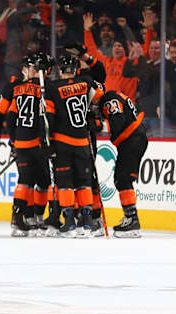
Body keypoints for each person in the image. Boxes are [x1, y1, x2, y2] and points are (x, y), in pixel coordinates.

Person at [45, 54, 104, 238]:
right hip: (83, 142)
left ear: (60, 70)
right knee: (84, 182)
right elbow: (99, 97)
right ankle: (86, 223)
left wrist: (49, 142)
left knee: (65, 183)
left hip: (63, 142)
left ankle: (69, 222)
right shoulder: (86, 82)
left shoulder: (52, 88)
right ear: (76, 69)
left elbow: (49, 118)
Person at [4, 53, 53, 237]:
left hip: (21, 142)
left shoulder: (18, 89)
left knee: (25, 180)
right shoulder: (44, 89)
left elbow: (10, 118)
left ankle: (18, 219)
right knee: (43, 181)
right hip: (37, 143)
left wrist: (14, 139)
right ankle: (37, 217)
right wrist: (45, 139)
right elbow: (45, 118)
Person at [97, 90, 148, 238]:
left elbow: (117, 122)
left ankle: (132, 220)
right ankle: (131, 217)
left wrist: (98, 125)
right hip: (133, 138)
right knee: (121, 179)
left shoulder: (108, 99)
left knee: (123, 179)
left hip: (132, 138)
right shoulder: (114, 95)